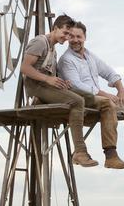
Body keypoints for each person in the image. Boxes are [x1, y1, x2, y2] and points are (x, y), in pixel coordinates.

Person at [58, 21, 124, 173]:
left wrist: (121, 90)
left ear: (85, 37)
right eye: (71, 36)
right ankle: (111, 156)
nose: (75, 40)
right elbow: (76, 85)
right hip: (81, 99)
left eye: (78, 36)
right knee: (108, 103)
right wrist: (106, 94)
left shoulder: (89, 55)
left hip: (97, 98)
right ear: (67, 38)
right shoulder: (67, 59)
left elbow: (108, 71)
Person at [20, 14, 99, 167]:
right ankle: (80, 152)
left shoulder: (53, 48)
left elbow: (50, 73)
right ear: (55, 28)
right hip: (36, 86)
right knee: (77, 101)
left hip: (46, 86)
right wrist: (48, 80)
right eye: (65, 33)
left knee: (88, 97)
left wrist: (61, 81)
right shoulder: (40, 42)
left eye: (69, 34)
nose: (67, 37)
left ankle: (44, 101)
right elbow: (25, 68)